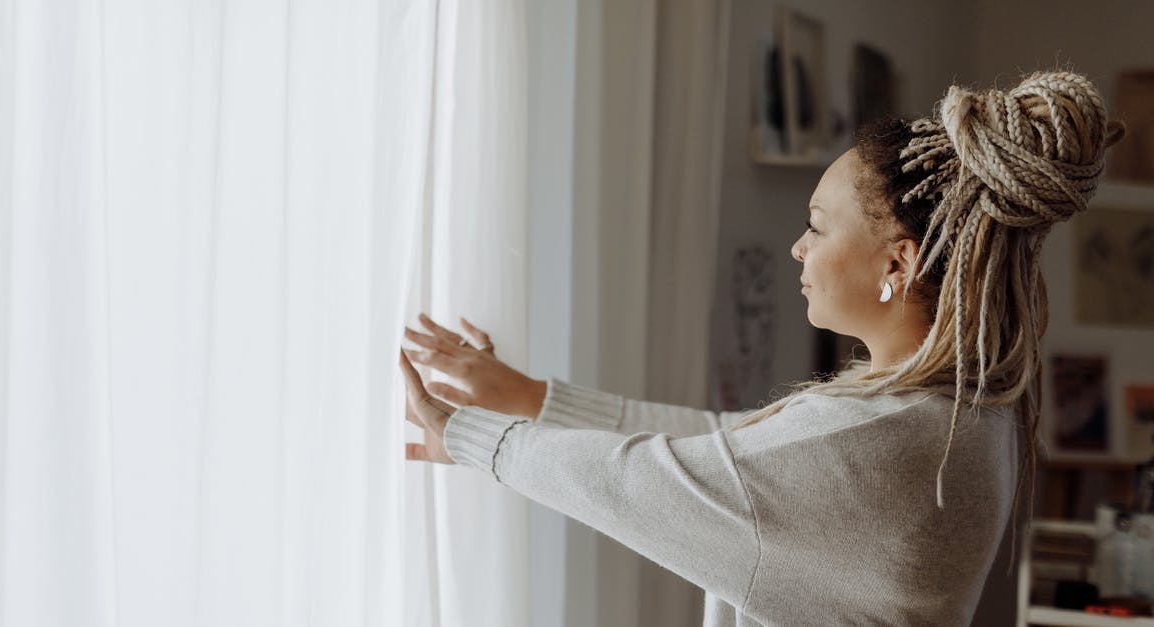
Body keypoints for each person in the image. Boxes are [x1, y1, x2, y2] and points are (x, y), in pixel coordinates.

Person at [397, 71, 1126, 625]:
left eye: (818, 224)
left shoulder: (893, 436)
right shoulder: (952, 407)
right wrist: (529, 400)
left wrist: (468, 433)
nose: (798, 247)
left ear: (896, 264)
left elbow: (647, 481)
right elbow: (735, 452)